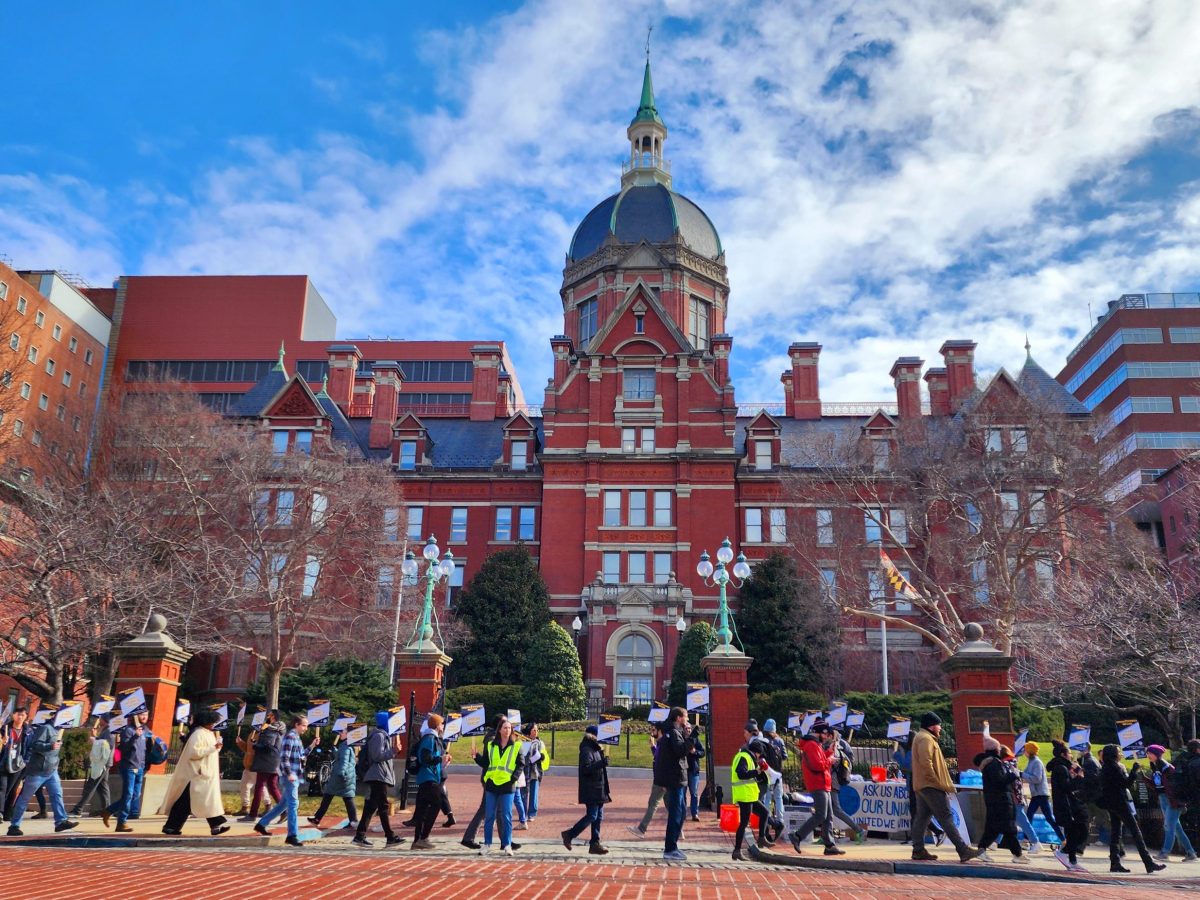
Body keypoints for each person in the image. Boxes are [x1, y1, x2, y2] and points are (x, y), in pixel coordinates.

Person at [909, 712, 981, 863]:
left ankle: (918, 850)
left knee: (921, 818)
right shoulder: (926, 739)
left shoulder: (923, 737)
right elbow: (926, 763)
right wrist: (937, 783)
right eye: (938, 725)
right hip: (931, 785)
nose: (940, 728)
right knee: (946, 817)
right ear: (931, 726)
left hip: (923, 785)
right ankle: (963, 849)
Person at [158, 708, 229, 836]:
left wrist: (217, 748)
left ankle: (173, 826)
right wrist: (213, 748)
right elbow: (195, 753)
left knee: (199, 800)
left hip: (203, 774)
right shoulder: (198, 734)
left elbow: (209, 751)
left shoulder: (207, 733)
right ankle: (215, 824)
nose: (213, 724)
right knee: (193, 801)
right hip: (195, 774)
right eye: (211, 721)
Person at [1098, 743, 1166, 874]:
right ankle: (1148, 862)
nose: (1121, 754)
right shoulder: (1114, 767)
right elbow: (1125, 784)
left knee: (1116, 833)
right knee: (1136, 832)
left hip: (1111, 803)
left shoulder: (1106, 767)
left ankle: (1115, 862)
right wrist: (1134, 771)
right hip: (1120, 803)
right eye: (1119, 752)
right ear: (1114, 754)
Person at [4, 715, 77, 836]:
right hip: (38, 771)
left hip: (52, 770)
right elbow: (35, 745)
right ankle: (14, 826)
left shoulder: (59, 730)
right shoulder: (46, 728)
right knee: (24, 798)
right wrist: (50, 746)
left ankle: (60, 822)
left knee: (57, 794)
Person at [254, 712, 310, 847]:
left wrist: (312, 746)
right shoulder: (290, 736)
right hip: (291, 777)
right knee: (293, 805)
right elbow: (284, 757)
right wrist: (289, 773)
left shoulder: (296, 737)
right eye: (304, 726)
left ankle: (261, 824)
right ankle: (292, 835)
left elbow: (301, 756)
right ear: (296, 725)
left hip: (295, 775)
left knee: (283, 804)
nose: (306, 728)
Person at [787, 721, 842, 856]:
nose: (828, 736)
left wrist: (829, 753)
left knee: (828, 816)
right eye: (826, 734)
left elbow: (819, 761)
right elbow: (817, 765)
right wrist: (830, 760)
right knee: (821, 815)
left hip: (823, 783)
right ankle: (797, 836)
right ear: (821, 732)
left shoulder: (815, 744)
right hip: (818, 784)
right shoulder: (812, 745)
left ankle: (829, 845)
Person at [352, 712, 404, 847]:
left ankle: (359, 835)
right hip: (377, 775)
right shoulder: (379, 736)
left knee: (371, 806)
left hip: (380, 775)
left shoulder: (383, 735)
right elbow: (376, 756)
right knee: (383, 806)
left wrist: (393, 751)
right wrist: (393, 751)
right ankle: (390, 836)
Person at [561, 723, 611, 855]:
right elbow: (586, 769)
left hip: (599, 788)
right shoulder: (587, 750)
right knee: (592, 815)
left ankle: (595, 843)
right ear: (593, 737)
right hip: (591, 789)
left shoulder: (595, 749)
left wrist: (602, 758)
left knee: (598, 816)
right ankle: (570, 834)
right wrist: (601, 763)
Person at [974, 743, 1026, 863]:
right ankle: (1017, 854)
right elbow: (999, 780)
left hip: (995, 800)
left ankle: (981, 850)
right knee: (1008, 828)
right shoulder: (994, 764)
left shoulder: (990, 764)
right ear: (995, 750)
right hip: (1001, 801)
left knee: (992, 828)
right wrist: (1013, 775)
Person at [1145, 744, 1197, 861]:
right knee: (1176, 828)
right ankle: (1191, 853)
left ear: (1156, 754)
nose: (1148, 755)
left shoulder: (1167, 768)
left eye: (1150, 753)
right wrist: (1144, 778)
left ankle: (1164, 852)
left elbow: (1174, 786)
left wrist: (1177, 802)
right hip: (1164, 798)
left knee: (1168, 826)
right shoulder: (1155, 766)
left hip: (1172, 800)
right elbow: (1158, 786)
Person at [104, 709, 153, 833]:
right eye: (142, 714)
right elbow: (123, 748)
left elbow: (147, 749)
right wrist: (135, 736)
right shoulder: (128, 730)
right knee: (128, 795)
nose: (144, 717)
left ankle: (109, 810)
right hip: (129, 767)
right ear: (136, 716)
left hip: (140, 767)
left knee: (135, 795)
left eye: (146, 714)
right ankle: (122, 822)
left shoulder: (146, 730)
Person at [893, 733, 944, 847]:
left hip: (915, 784)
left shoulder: (912, 752)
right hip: (914, 784)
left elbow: (907, 766)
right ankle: (928, 834)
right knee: (916, 813)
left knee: (916, 812)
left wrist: (896, 755)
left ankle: (932, 832)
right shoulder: (912, 750)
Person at [655, 707, 691, 862]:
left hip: (678, 778)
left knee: (681, 812)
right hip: (675, 779)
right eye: (685, 717)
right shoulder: (673, 733)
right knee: (676, 814)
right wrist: (692, 738)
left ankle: (673, 846)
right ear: (678, 718)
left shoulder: (674, 732)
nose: (687, 719)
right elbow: (680, 751)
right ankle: (670, 848)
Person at [1047, 740, 1089, 872]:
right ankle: (1064, 852)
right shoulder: (1061, 768)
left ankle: (1072, 860)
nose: (1071, 755)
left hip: (1066, 804)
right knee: (1080, 831)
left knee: (1073, 832)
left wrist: (1075, 773)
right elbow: (1067, 787)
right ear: (1063, 754)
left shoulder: (1062, 767)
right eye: (1069, 753)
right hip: (1066, 806)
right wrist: (1079, 778)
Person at [308, 726, 358, 830]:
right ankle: (353, 821)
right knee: (348, 798)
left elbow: (344, 762)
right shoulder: (348, 745)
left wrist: (341, 773)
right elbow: (344, 758)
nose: (340, 734)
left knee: (328, 795)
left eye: (342, 732)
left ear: (348, 735)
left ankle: (317, 819)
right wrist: (335, 750)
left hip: (340, 777)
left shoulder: (345, 746)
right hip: (348, 776)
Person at [730, 736, 773, 860]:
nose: (759, 758)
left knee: (764, 812)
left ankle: (761, 839)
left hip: (749, 795)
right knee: (744, 823)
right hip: (744, 795)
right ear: (757, 752)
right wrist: (757, 771)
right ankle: (737, 850)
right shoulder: (744, 757)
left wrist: (757, 773)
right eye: (760, 755)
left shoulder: (745, 756)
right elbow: (741, 774)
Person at [411, 713, 447, 850]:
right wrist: (439, 759)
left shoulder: (432, 738)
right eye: (442, 723)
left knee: (422, 810)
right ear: (438, 725)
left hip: (427, 777)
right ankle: (424, 837)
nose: (443, 726)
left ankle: (417, 840)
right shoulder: (430, 739)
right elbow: (425, 758)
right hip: (429, 777)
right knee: (437, 803)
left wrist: (442, 761)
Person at [240, 710, 284, 822]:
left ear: (273, 717)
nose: (267, 717)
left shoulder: (271, 729)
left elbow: (267, 746)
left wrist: (255, 745)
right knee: (272, 787)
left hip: (266, 762)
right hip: (274, 762)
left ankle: (252, 814)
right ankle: (285, 811)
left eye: (269, 715)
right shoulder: (279, 729)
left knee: (259, 787)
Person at [1021, 740, 1062, 844]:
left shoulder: (1037, 762)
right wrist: (1019, 773)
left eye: (1025, 750)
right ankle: (1026, 838)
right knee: (1031, 815)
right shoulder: (1031, 761)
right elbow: (1025, 773)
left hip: (1041, 794)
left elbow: (1037, 778)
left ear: (1029, 751)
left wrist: (1022, 775)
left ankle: (1063, 838)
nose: (1023, 752)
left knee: (1047, 818)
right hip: (1037, 794)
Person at [70, 718, 113, 817]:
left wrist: (95, 739)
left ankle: (78, 810)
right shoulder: (106, 731)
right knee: (103, 788)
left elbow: (107, 747)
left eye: (101, 718)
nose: (99, 720)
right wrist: (96, 737)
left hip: (102, 764)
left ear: (105, 720)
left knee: (91, 785)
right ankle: (108, 810)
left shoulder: (109, 731)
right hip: (103, 763)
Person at [628, 724, 665, 838]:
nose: (651, 732)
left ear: (659, 731)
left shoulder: (663, 744)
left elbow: (663, 763)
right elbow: (657, 758)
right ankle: (678, 831)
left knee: (653, 804)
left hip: (661, 780)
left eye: (653, 729)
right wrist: (653, 746)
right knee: (671, 807)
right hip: (661, 779)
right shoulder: (660, 743)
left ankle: (641, 829)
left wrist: (664, 781)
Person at [830, 730, 866, 844]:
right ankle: (827, 835)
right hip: (832, 782)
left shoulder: (834, 749)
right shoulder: (838, 746)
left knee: (836, 810)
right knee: (826, 812)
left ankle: (859, 830)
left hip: (832, 783)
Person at [760, 719, 786, 825]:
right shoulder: (779, 741)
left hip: (766, 773)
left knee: (767, 798)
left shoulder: (762, 741)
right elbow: (785, 756)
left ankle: (766, 820)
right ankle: (780, 820)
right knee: (778, 797)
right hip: (777, 773)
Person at [520, 723, 545, 824]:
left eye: (537, 730)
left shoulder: (539, 742)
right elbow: (522, 756)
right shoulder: (522, 741)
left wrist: (541, 757)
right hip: (525, 772)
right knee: (523, 794)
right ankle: (523, 813)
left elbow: (543, 754)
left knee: (534, 794)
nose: (536, 732)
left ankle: (532, 813)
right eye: (534, 730)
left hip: (535, 771)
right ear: (529, 730)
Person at [686, 723, 706, 822]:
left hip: (694, 771)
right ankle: (683, 813)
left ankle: (695, 813)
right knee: (682, 793)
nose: (688, 730)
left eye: (689, 728)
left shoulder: (695, 739)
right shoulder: (680, 739)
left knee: (694, 793)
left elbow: (703, 752)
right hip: (683, 771)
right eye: (686, 728)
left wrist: (695, 752)